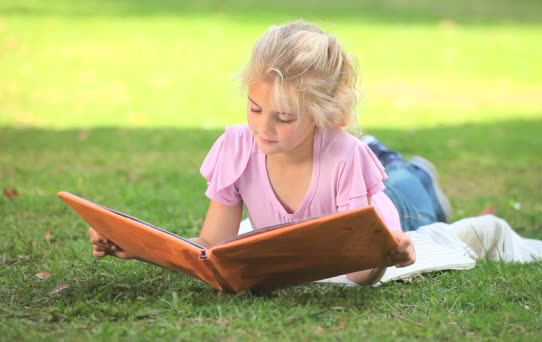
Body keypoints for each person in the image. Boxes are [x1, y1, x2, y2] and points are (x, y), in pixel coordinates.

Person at [89, 19, 452, 286]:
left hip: (393, 197)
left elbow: (359, 272)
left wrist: (385, 253)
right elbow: (210, 246)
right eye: (254, 108)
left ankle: (417, 172)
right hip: (333, 152)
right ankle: (385, 155)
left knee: (409, 192)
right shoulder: (237, 148)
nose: (263, 128)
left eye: (283, 117)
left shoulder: (346, 158)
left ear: (321, 115)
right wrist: (139, 245)